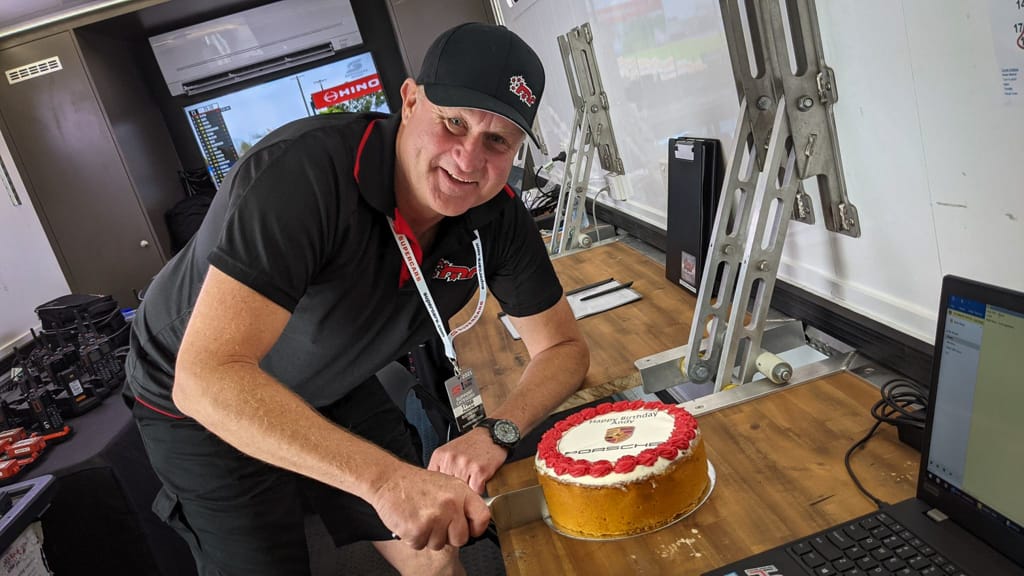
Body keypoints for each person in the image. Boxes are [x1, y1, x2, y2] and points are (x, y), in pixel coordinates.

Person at [123, 22, 589, 576]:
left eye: (498, 141)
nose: (468, 160)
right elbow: (206, 378)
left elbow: (563, 347)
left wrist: (499, 430)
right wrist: (386, 480)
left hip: (332, 377)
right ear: (410, 100)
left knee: (434, 555)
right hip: (198, 397)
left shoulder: (499, 216)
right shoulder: (303, 178)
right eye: (453, 123)